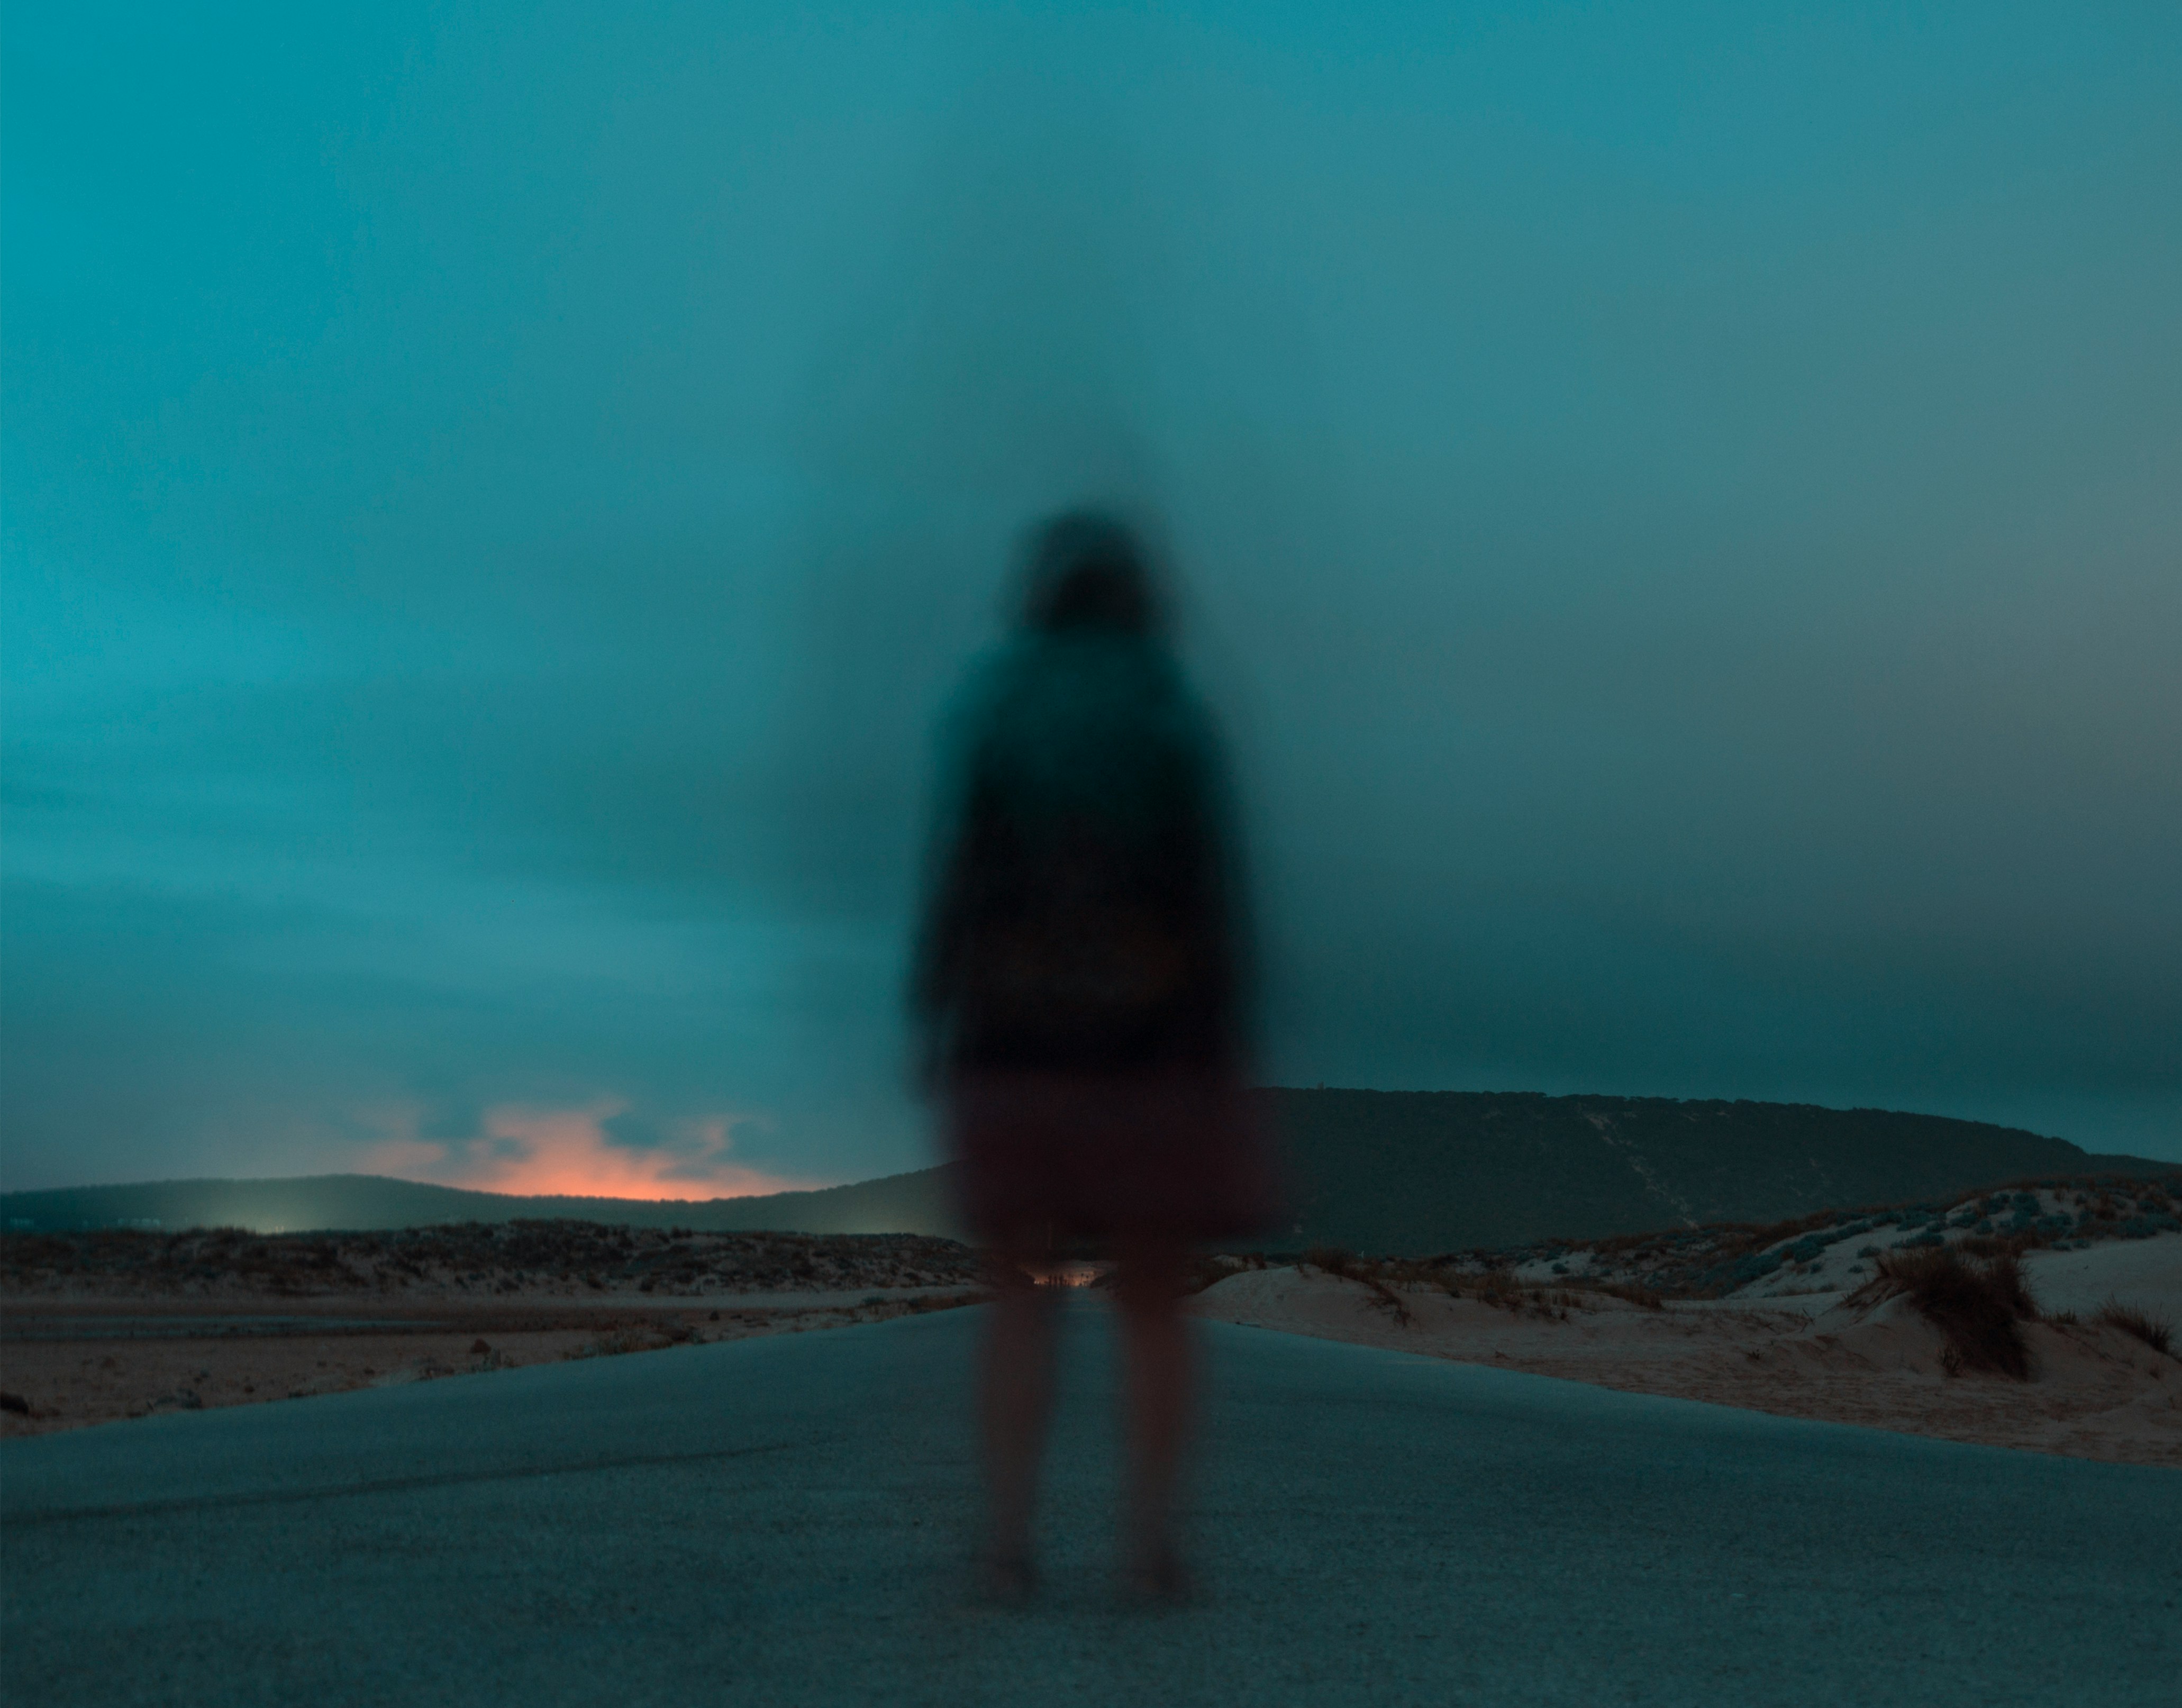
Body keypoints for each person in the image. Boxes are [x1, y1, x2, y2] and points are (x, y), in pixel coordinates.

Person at [910, 510, 1274, 1603]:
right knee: (1152, 1299)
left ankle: (1005, 1545)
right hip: (1150, 1046)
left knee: (1016, 1292)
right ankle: (1148, 1546)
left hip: (1011, 1040)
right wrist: (1222, 1048)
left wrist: (934, 1019)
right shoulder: (1171, 714)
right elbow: (1216, 902)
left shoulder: (997, 710)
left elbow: (956, 887)